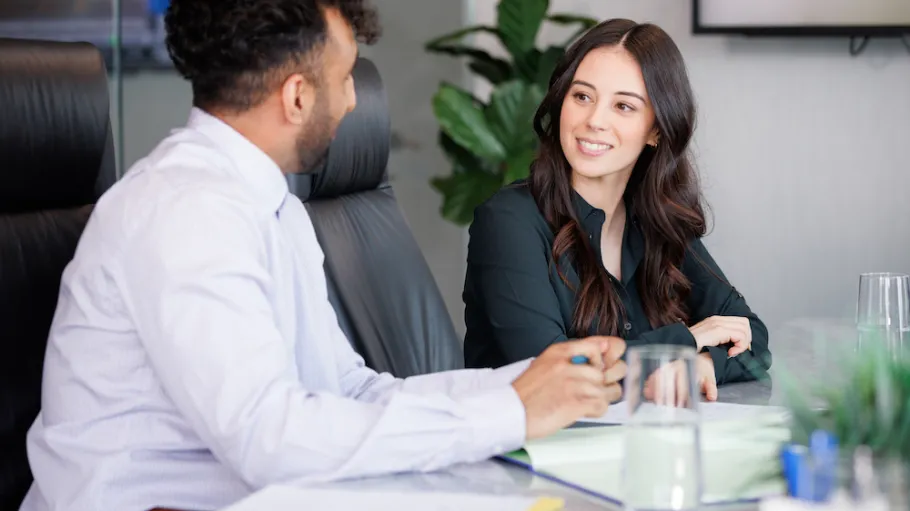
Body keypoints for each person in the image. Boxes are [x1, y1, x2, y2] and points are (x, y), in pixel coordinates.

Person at [19, 2, 629, 511]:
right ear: (296, 97)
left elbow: (348, 388)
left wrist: (529, 382)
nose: (352, 102)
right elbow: (269, 438)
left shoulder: (270, 204)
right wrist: (508, 412)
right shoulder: (185, 212)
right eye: (343, 80)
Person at [463, 19, 771, 400]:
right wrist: (685, 341)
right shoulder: (508, 221)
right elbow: (554, 378)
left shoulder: (656, 221)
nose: (594, 120)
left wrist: (701, 365)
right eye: (582, 97)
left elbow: (748, 333)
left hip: (632, 444)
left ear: (656, 130)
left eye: (623, 106)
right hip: (530, 452)